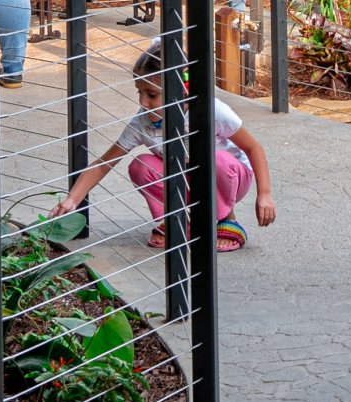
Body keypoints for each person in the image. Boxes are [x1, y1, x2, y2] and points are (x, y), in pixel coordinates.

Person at [60, 36, 277, 249]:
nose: (143, 102)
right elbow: (103, 163)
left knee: (216, 158)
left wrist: (264, 194)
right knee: (141, 165)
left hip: (229, 178)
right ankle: (179, 218)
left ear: (180, 91)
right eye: (140, 92)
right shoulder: (142, 122)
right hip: (186, 178)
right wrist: (72, 200)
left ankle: (226, 219)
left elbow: (253, 147)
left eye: (151, 94)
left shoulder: (210, 110)